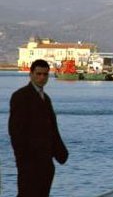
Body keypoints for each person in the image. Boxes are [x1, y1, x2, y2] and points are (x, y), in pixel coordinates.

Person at [9, 59, 69, 196]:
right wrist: (22, 159)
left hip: (46, 162)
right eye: (38, 74)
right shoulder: (20, 96)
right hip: (29, 162)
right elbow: (15, 131)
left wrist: (60, 151)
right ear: (30, 74)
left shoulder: (45, 98)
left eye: (45, 74)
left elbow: (52, 128)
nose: (42, 77)